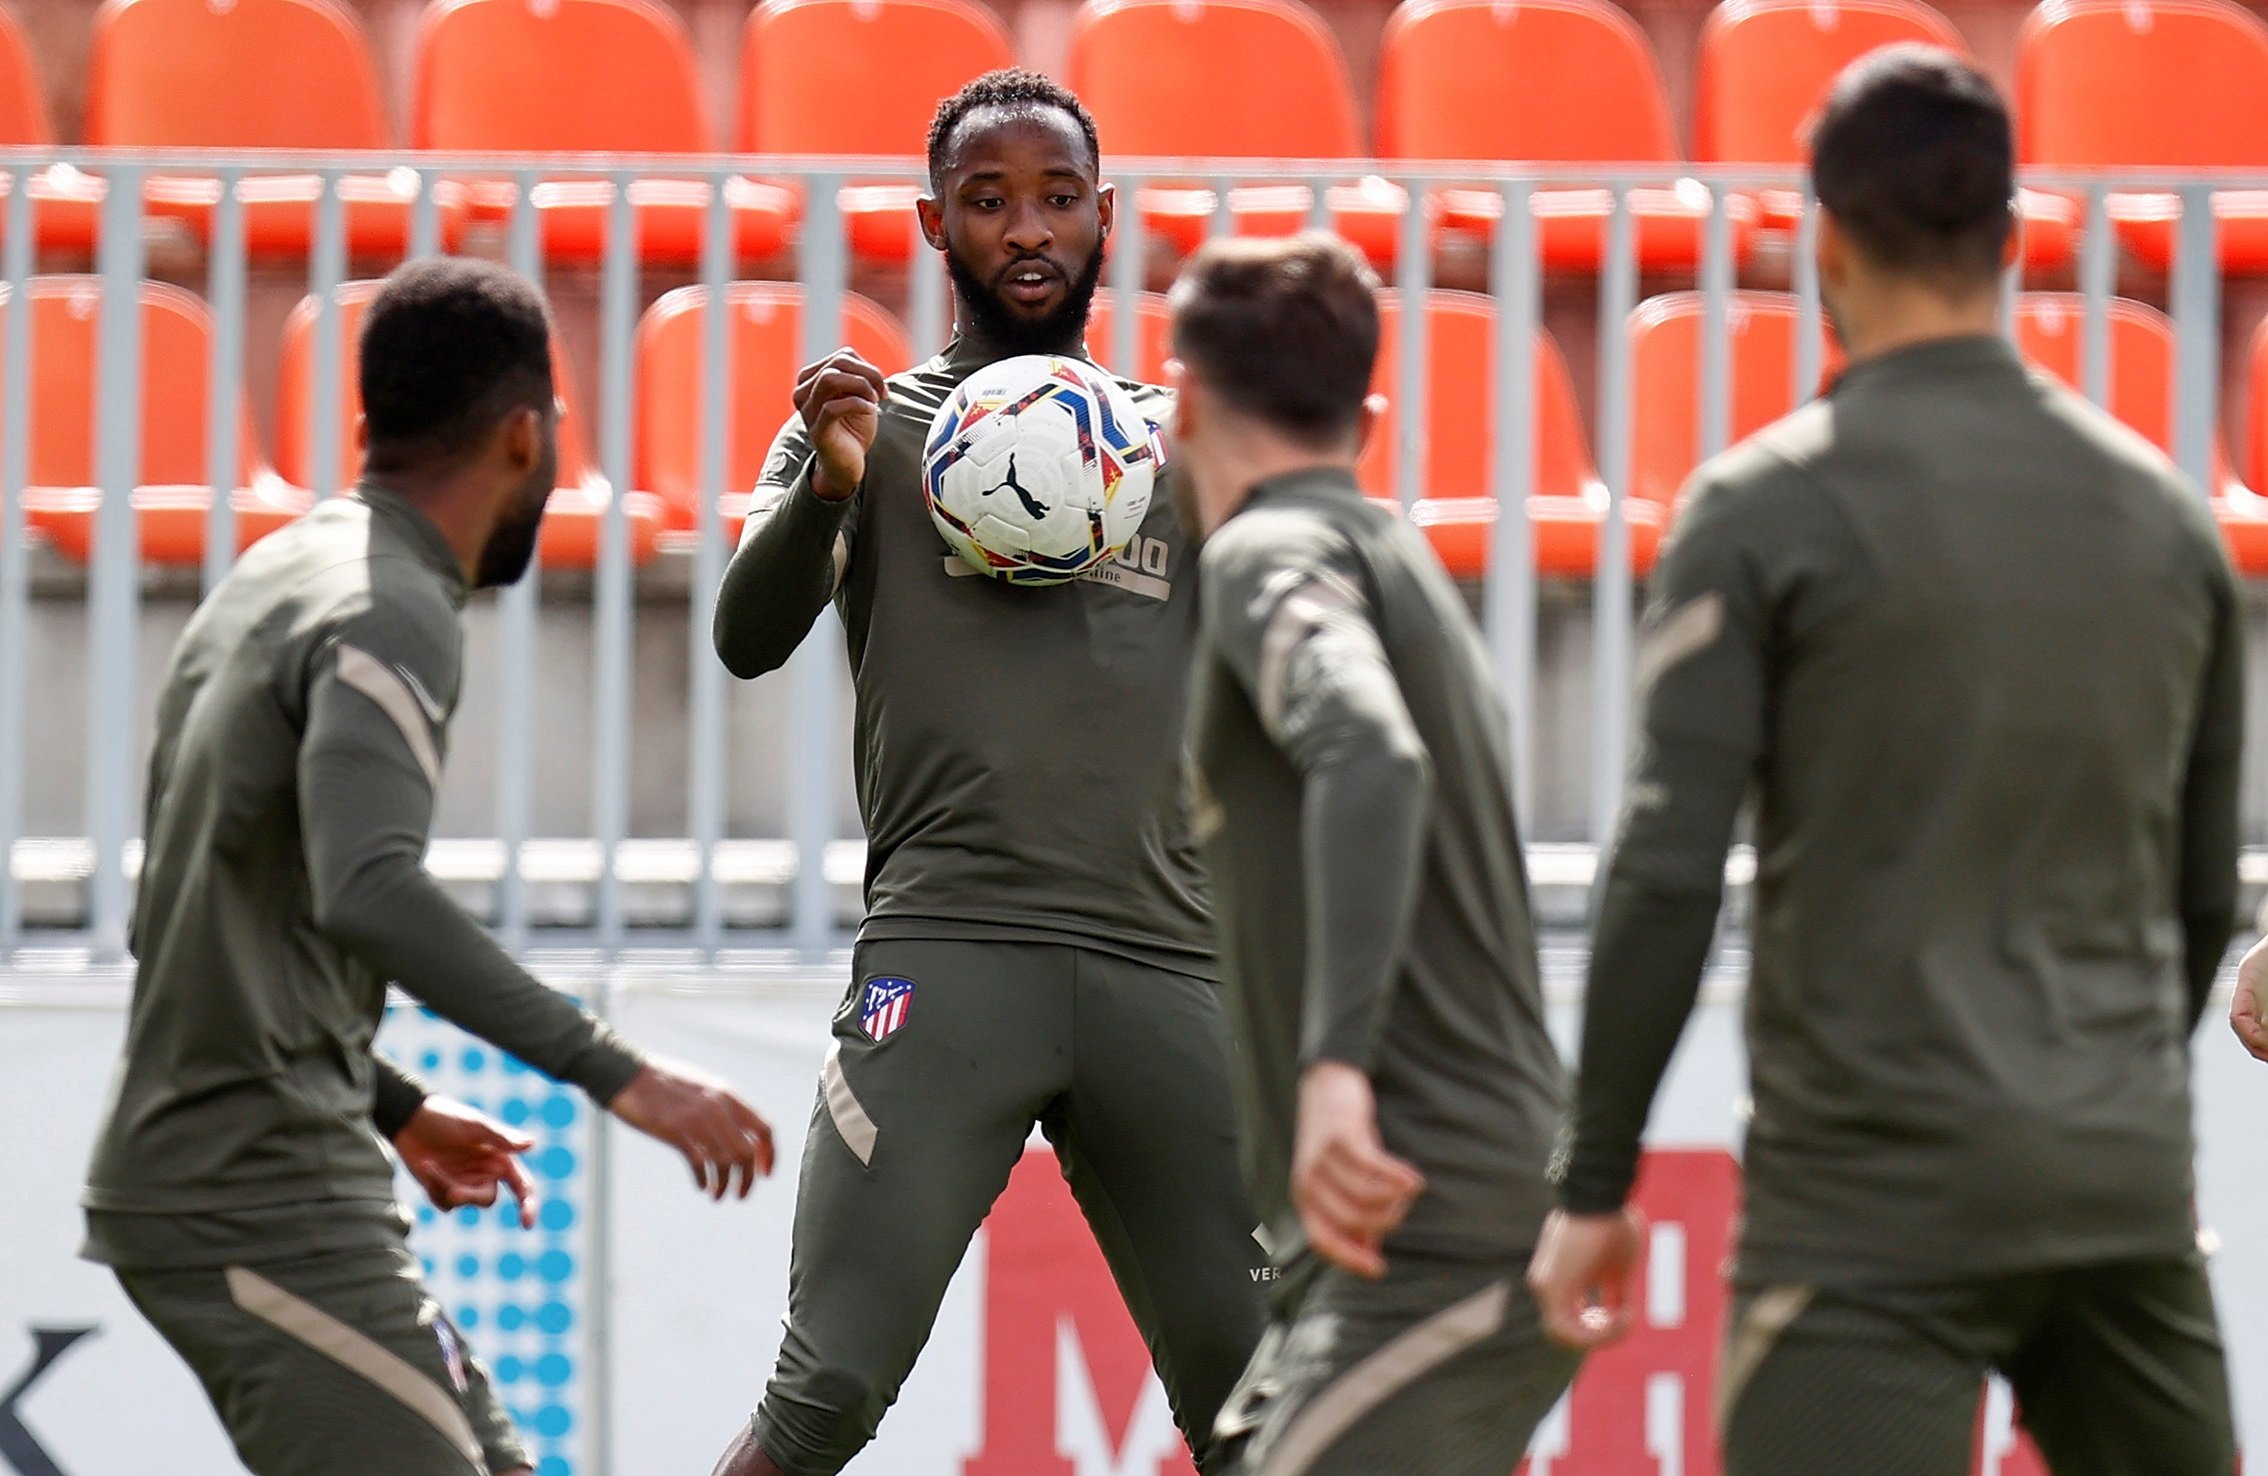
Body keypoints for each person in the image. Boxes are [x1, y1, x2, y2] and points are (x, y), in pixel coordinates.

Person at [1526, 47, 2243, 1475]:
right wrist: (2102, 1091)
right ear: (2018, 241)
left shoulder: (1762, 510)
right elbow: (2205, 893)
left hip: (1871, 1201)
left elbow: (1668, 873)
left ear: (1821, 241)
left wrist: (1593, 1180)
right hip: (2115, 1184)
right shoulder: (2169, 523)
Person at [82, 258, 777, 1476]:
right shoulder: (388, 607)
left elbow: (192, 918)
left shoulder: (278, 576)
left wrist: (392, 1104)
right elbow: (370, 888)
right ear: (527, 435)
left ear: (366, 429)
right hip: (254, 1194)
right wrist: (618, 1075)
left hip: (261, 1168)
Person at [707, 69, 1265, 1476]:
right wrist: (827, 490)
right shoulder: (865, 425)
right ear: (933, 225)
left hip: (1168, 968)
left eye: (1058, 199)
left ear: (1106, 221)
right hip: (947, 962)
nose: (1028, 229)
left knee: (1274, 1418)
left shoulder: (1172, 448)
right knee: (824, 1392)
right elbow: (744, 636)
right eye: (989, 199)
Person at [1170, 232, 1578, 1475]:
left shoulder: (1264, 552)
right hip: (1431, 1218)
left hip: (1425, 1223)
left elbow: (1368, 751)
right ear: (1370, 414)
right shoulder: (1396, 560)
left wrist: (1335, 1069)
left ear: (1180, 404)